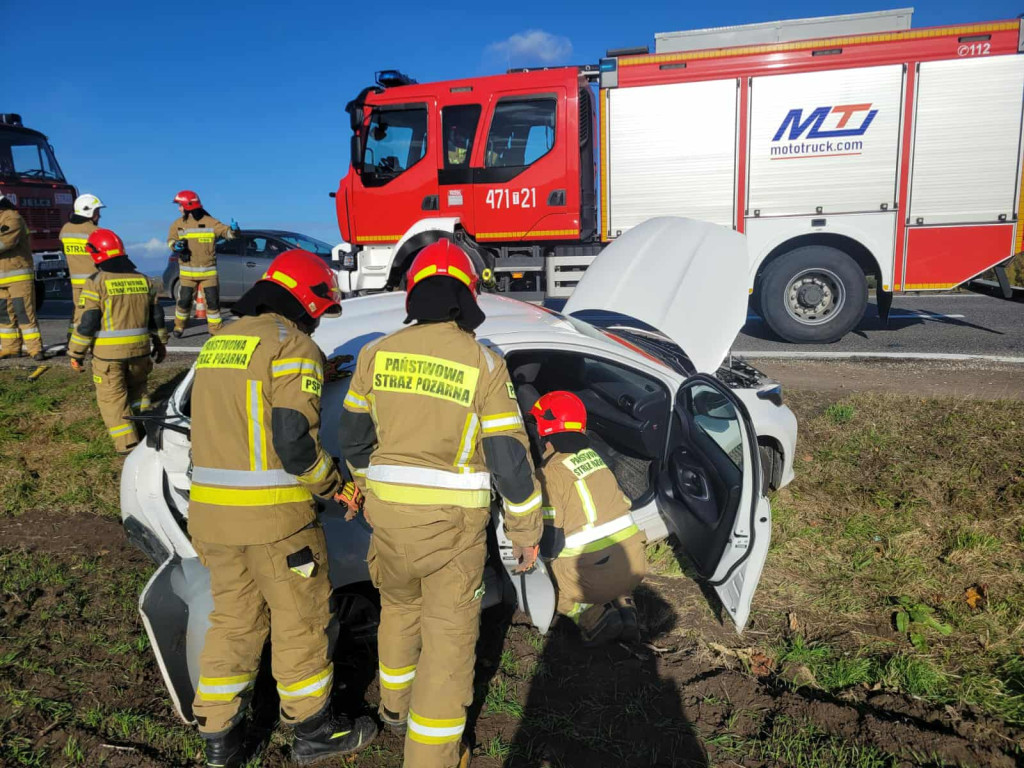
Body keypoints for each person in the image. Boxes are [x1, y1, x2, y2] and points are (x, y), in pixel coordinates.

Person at [338, 238, 542, 768]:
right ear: (467, 297)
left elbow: (355, 439)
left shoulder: (375, 354)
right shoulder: (482, 362)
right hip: (452, 532)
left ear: (414, 294)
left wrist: (368, 486)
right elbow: (509, 460)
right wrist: (525, 530)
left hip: (387, 523)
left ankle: (393, 707)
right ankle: (432, 757)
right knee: (449, 646)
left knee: (399, 612)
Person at [187, 249, 376, 768]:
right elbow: (293, 441)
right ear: (308, 300)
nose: (318, 320)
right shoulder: (295, 346)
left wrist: (317, 370)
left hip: (210, 517)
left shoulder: (218, 342)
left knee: (234, 620)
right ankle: (313, 731)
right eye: (320, 309)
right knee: (301, 620)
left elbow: (240, 405)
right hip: (274, 521)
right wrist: (334, 485)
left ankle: (220, 737)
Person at [531, 391, 647, 645]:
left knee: (546, 579)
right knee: (610, 564)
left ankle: (593, 618)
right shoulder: (596, 457)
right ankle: (627, 607)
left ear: (543, 432)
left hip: (593, 578)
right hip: (634, 563)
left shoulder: (549, 473)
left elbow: (551, 544)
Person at [67, 229, 167, 454]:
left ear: (96, 255)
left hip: (108, 357)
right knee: (139, 393)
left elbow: (88, 322)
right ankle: (146, 433)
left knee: (112, 399)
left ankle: (128, 446)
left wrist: (76, 353)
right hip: (141, 352)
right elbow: (157, 316)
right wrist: (161, 343)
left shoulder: (96, 282)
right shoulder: (143, 280)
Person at [167, 190, 236, 337]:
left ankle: (215, 330)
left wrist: (234, 231)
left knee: (212, 303)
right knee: (184, 302)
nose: (179, 209)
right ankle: (179, 327)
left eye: (180, 205)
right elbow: (171, 241)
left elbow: (226, 233)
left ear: (188, 205)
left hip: (208, 273)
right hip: (187, 273)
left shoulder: (210, 222)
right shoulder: (178, 224)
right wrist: (175, 245)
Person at [0, 193, 44, 360]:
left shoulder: (12, 218)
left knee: (24, 312)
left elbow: (6, 242)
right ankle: (10, 348)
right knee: (4, 315)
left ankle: (35, 349)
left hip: (18, 276)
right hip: (1, 277)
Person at [59, 194, 105, 340]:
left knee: (79, 312)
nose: (99, 215)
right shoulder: (95, 232)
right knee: (93, 314)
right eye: (97, 211)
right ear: (89, 212)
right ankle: (82, 345)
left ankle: (72, 340)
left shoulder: (65, 229)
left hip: (76, 283)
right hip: (94, 282)